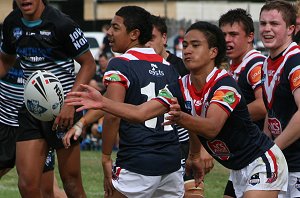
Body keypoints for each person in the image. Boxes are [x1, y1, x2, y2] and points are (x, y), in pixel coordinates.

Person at [65, 21, 288, 198]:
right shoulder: (182, 86)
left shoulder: (224, 84)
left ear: (213, 52)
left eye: (195, 45)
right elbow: (141, 112)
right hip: (237, 168)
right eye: (185, 44)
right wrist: (103, 103)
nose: (187, 50)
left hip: (262, 161)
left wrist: (181, 118)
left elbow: (211, 128)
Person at [65, 5, 186, 197]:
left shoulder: (120, 63)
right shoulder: (170, 68)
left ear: (134, 34)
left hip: (138, 163)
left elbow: (112, 116)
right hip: (172, 162)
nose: (109, 33)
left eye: (115, 27)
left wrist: (105, 158)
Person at [0, 0, 96, 197]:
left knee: (71, 184)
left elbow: (88, 64)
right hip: (31, 110)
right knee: (26, 184)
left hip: (64, 111)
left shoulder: (62, 24)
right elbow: (5, 59)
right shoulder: (12, 22)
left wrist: (70, 104)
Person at [145, 14, 213, 195]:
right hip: (149, 144)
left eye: (152, 38)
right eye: (144, 39)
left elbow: (202, 107)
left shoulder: (183, 67)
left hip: (183, 143)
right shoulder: (138, 66)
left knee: (193, 192)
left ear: (164, 38)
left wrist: (203, 148)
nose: (148, 44)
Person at [219, 8, 267, 198]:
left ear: (250, 37)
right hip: (243, 158)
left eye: (233, 34)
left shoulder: (255, 63)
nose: (227, 40)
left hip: (260, 156)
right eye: (223, 35)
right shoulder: (233, 67)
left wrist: (223, 119)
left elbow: (264, 105)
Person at [259, 0, 300, 197]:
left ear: (291, 28)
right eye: (263, 23)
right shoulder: (267, 63)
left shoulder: (295, 61)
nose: (267, 29)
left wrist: (272, 149)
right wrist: (263, 144)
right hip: (282, 161)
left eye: (274, 24)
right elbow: (271, 110)